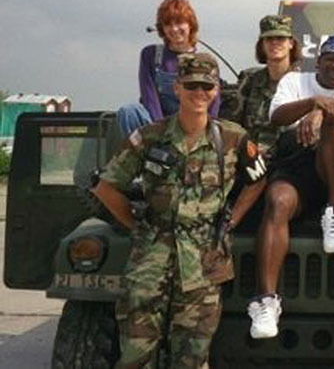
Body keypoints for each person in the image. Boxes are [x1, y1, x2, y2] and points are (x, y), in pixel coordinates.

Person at [91, 53, 268, 368]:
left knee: (193, 356)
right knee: (135, 354)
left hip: (204, 258)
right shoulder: (150, 137)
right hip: (151, 257)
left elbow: (258, 180)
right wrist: (135, 225)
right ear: (177, 88)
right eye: (191, 85)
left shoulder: (233, 138)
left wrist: (232, 220)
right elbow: (106, 187)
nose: (199, 93)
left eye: (206, 86)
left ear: (216, 90)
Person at [246, 34, 334, 339]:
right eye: (331, 59)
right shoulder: (294, 82)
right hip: (297, 165)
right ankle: (266, 301)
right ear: (318, 61)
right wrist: (313, 101)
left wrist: (321, 113)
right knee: (277, 201)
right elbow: (277, 117)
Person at [117, 0, 220, 137]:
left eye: (179, 23)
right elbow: (149, 97)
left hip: (193, 127)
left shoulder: (207, 61)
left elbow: (213, 102)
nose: (174, 29)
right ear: (162, 29)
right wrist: (165, 133)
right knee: (128, 111)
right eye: (168, 24)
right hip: (159, 127)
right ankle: (138, 150)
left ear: (190, 25)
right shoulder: (150, 55)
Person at [223, 14, 301, 158]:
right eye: (269, 39)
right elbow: (232, 124)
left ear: (291, 43)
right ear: (262, 44)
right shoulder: (250, 81)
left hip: (287, 160)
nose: (275, 43)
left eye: (280, 38)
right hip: (250, 158)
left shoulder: (302, 83)